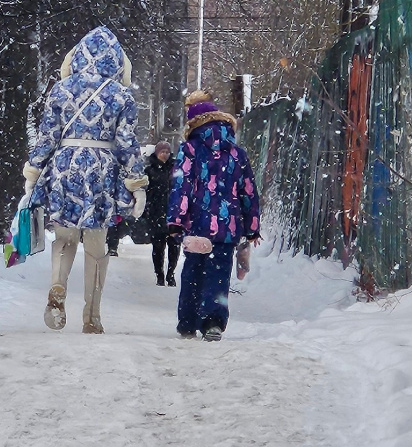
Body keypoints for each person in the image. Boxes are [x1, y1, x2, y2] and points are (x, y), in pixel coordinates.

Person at [23, 26, 148, 334]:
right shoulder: (121, 96)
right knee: (96, 245)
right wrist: (136, 183)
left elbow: (46, 136)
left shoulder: (61, 90)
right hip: (102, 171)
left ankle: (57, 284)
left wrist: (34, 171)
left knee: (64, 239)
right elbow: (127, 141)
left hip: (65, 166)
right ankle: (92, 316)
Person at [167, 90, 260, 342]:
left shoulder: (189, 149)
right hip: (227, 225)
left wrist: (176, 221)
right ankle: (212, 322)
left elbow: (181, 187)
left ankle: (187, 321)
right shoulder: (237, 154)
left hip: (197, 224)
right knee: (218, 273)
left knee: (193, 271)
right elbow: (248, 191)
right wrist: (252, 226)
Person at [143, 141, 179, 287]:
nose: (164, 154)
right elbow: (145, 190)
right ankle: (159, 274)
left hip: (173, 212)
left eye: (167, 151)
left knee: (174, 245)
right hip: (155, 212)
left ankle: (171, 273)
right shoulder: (150, 170)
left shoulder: (176, 169)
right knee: (158, 247)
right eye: (161, 151)